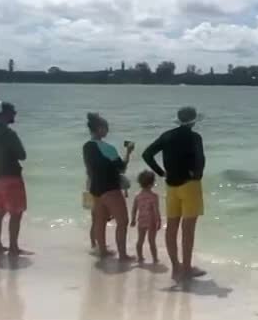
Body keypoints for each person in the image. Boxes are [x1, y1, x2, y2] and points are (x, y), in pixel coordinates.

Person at [142, 106, 206, 281]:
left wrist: (162, 173)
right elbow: (200, 161)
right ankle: (187, 268)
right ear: (193, 121)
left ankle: (175, 267)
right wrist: (196, 174)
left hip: (171, 187)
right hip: (189, 185)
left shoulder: (167, 135)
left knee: (171, 228)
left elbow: (147, 154)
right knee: (188, 230)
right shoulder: (195, 137)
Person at [82, 112, 134, 260]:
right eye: (106, 128)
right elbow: (121, 168)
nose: (108, 131)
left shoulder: (86, 147)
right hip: (110, 188)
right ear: (99, 129)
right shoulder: (108, 148)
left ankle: (102, 251)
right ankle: (123, 255)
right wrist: (128, 152)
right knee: (122, 221)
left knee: (99, 221)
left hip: (95, 189)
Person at [0, 100, 30, 255]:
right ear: (5, 114)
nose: (14, 115)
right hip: (11, 177)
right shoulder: (10, 134)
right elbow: (22, 155)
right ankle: (13, 247)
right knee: (16, 213)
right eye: (13, 112)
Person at [130, 169, 161, 264]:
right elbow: (156, 210)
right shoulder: (154, 196)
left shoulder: (137, 196)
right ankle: (155, 259)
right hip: (151, 221)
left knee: (140, 240)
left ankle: (140, 257)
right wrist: (158, 221)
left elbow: (134, 209)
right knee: (152, 241)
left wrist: (133, 220)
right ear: (151, 184)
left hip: (141, 221)